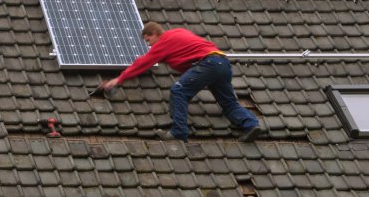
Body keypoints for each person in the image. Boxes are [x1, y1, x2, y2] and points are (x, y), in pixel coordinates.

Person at [100, 21, 262, 143]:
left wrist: (118, 79)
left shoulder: (164, 41)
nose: (148, 44)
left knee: (179, 90)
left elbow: (142, 62)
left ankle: (179, 132)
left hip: (208, 64)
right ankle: (251, 124)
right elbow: (187, 60)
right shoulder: (179, 32)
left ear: (155, 33)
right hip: (222, 63)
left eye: (148, 39)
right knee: (228, 102)